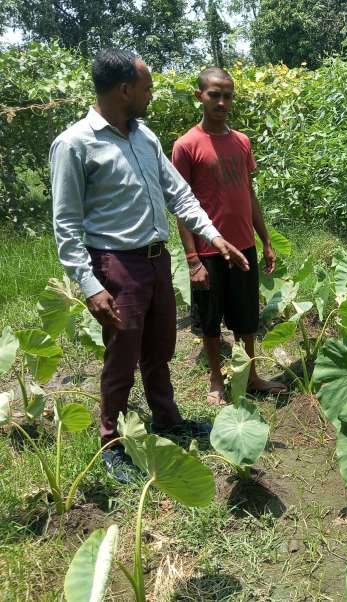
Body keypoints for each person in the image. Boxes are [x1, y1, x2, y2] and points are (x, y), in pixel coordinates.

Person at [49, 49, 249, 482]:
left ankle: (167, 421)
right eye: (147, 88)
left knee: (160, 349)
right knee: (122, 356)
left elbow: (179, 194)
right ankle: (113, 443)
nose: (151, 95)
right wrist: (89, 285)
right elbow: (65, 224)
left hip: (158, 261)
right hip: (117, 265)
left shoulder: (144, 137)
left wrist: (213, 236)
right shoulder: (75, 143)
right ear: (125, 90)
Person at [172, 67, 286, 405]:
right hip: (208, 251)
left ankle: (250, 375)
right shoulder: (186, 145)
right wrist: (192, 260)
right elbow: (181, 206)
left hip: (244, 245)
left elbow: (249, 194)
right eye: (214, 95)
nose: (221, 102)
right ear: (200, 96)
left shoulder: (241, 142)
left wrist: (265, 240)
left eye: (227, 96)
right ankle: (216, 380)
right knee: (210, 320)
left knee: (247, 317)